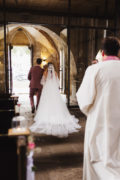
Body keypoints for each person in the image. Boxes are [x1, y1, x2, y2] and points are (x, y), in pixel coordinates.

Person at [76, 36, 120, 180]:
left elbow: (84, 100)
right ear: (118, 52)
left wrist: (92, 112)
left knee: (98, 160)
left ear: (102, 52)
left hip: (99, 122)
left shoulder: (94, 69)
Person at [30, 62, 81, 138]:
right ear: (53, 67)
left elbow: (42, 82)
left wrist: (47, 84)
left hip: (47, 89)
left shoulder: (45, 72)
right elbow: (57, 83)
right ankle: (56, 114)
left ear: (48, 67)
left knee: (46, 103)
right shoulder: (56, 73)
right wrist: (53, 84)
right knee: (56, 103)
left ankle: (47, 116)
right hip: (54, 90)